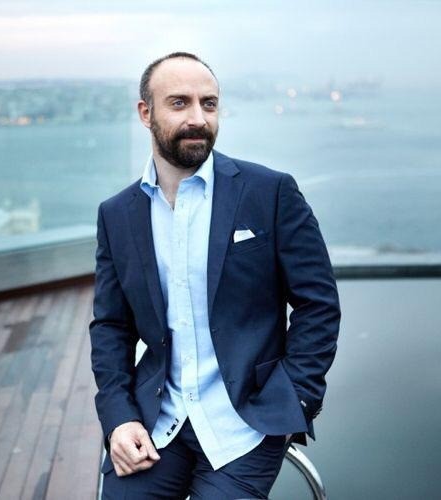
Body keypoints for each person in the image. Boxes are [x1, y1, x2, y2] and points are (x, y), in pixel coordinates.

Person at [89, 51, 341, 499]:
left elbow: (317, 305)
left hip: (247, 421)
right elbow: (111, 326)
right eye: (179, 103)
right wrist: (119, 417)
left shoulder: (270, 192)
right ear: (145, 113)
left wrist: (295, 397)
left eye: (208, 103)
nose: (198, 118)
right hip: (157, 421)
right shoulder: (117, 214)